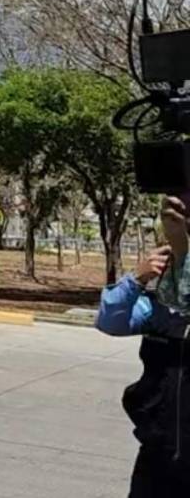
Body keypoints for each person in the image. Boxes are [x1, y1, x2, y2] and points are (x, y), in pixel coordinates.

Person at [96, 194, 190, 498]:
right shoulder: (160, 313)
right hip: (158, 457)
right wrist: (137, 278)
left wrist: (182, 244)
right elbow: (110, 320)